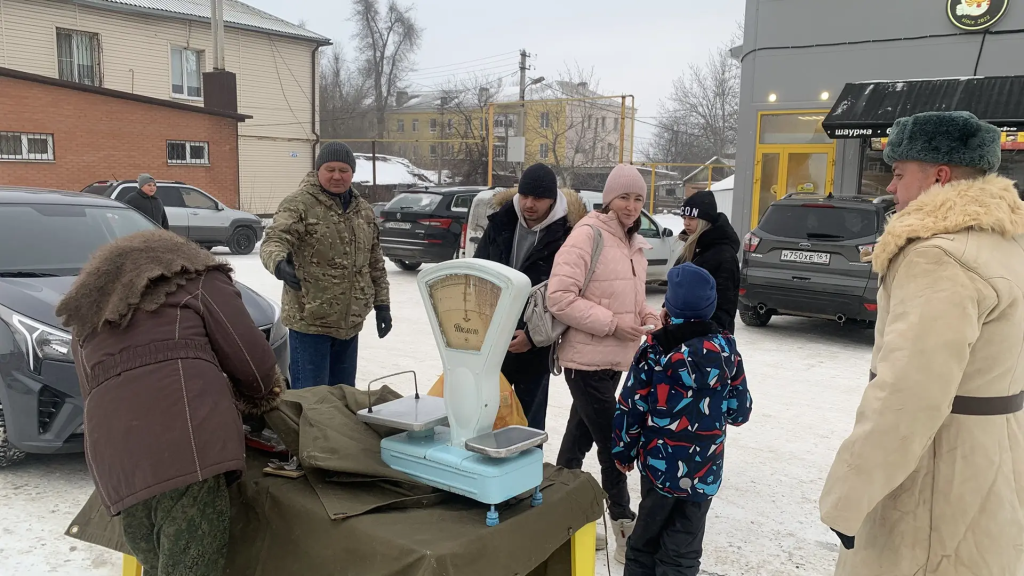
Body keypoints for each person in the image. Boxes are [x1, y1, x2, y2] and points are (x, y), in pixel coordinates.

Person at [819, 111, 1024, 576]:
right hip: (993, 467)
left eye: (898, 173)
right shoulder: (1007, 244)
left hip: (935, 481)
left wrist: (847, 498)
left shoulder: (939, 256)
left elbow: (910, 394)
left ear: (940, 175)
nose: (890, 188)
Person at [55, 230, 285, 576]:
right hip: (187, 444)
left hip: (116, 459)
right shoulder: (200, 278)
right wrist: (262, 398)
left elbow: (91, 389)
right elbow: (253, 364)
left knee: (158, 562)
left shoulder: (89, 306)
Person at [548, 163, 663, 562]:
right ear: (608, 198)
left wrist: (647, 315)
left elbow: (628, 299)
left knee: (576, 442)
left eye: (638, 199)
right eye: (624, 197)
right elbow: (560, 298)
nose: (631, 206)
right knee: (615, 446)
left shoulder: (632, 242)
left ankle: (558, 518)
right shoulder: (588, 235)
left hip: (613, 361)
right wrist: (615, 325)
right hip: (585, 361)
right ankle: (624, 527)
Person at [613, 263, 752, 576]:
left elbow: (631, 405)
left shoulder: (654, 350)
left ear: (668, 309)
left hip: (659, 469)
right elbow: (739, 411)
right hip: (704, 473)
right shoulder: (727, 351)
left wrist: (623, 451)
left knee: (644, 544)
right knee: (683, 552)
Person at [260, 141, 392, 389]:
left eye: (343, 170)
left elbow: (374, 261)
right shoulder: (299, 204)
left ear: (352, 173)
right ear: (318, 170)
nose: (337, 176)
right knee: (312, 401)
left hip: (349, 325)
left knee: (343, 398)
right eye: (330, 169)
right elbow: (274, 240)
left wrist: (382, 305)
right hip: (310, 323)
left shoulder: (363, 210)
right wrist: (278, 265)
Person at [473, 163, 587, 430]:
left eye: (538, 198)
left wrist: (532, 338)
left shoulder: (568, 235)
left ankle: (528, 470)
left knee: (528, 425)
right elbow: (478, 275)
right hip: (493, 339)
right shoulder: (501, 222)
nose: (529, 204)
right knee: (485, 416)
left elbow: (570, 294)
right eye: (525, 196)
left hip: (535, 345)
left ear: (552, 199)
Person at [665, 190, 740, 334]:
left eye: (692, 218)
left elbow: (725, 307)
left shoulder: (724, 255)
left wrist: (711, 337)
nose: (686, 223)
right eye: (684, 217)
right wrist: (667, 308)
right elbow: (678, 288)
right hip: (683, 333)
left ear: (705, 221)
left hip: (707, 341)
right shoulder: (692, 247)